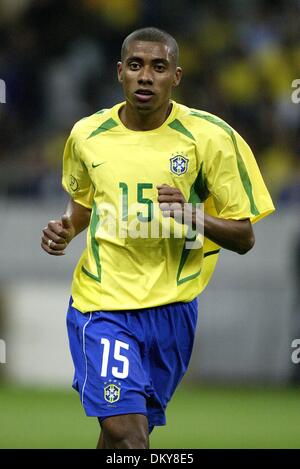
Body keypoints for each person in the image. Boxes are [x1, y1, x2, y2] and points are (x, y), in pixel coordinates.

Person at [41, 27, 275, 449]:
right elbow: (84, 203)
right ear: (119, 73)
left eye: (158, 67)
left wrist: (191, 214)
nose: (145, 76)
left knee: (123, 439)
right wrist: (66, 229)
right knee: (130, 438)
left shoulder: (211, 138)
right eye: (135, 65)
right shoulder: (87, 136)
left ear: (177, 77)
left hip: (173, 312)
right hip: (103, 304)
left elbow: (244, 236)